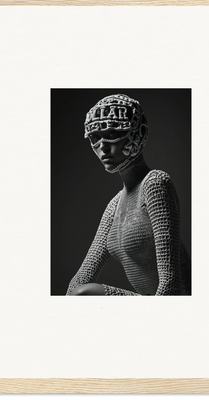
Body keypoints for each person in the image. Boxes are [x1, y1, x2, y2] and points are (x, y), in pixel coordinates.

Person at [66, 94, 190, 296]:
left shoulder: (155, 184)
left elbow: (171, 283)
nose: (103, 147)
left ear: (138, 133)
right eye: (95, 138)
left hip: (173, 306)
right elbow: (81, 276)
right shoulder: (114, 205)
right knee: (79, 290)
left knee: (85, 293)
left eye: (113, 134)